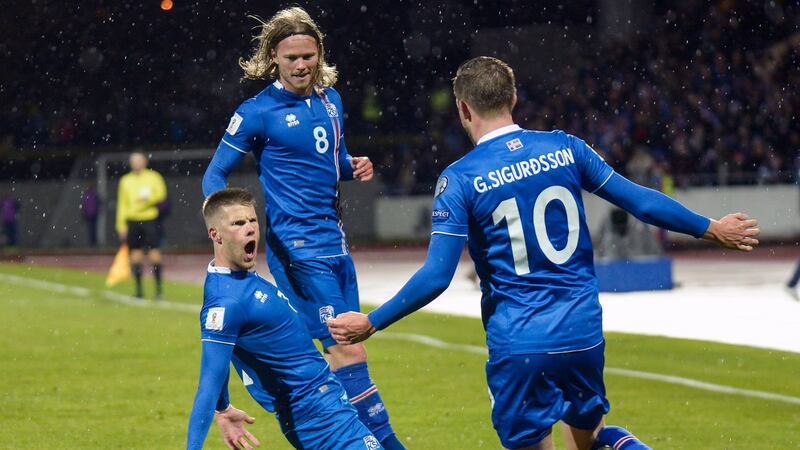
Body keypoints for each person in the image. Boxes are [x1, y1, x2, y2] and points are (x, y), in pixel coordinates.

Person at [327, 57, 761, 450]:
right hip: (582, 333)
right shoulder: (565, 147)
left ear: (462, 109)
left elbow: (438, 275)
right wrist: (712, 228)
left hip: (521, 342)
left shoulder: (459, 178)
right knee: (592, 441)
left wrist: (372, 321)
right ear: (513, 99)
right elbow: (640, 201)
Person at [201, 7, 403, 449]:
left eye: (308, 55)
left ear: (319, 54)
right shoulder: (256, 112)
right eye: (291, 57)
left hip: (336, 244)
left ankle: (323, 432)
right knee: (348, 347)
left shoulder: (332, 101)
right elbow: (214, 175)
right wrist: (225, 229)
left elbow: (329, 162)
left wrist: (352, 166)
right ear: (274, 56)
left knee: (342, 356)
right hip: (297, 248)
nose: (300, 65)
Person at [187, 187, 383, 450]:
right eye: (237, 223)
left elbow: (221, 357)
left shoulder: (237, 280)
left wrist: (223, 408)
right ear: (215, 234)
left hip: (326, 406)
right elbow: (208, 383)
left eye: (252, 221)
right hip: (317, 416)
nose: (250, 228)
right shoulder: (228, 302)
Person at [115, 150, 167, 299]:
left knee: (154, 254)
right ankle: (139, 291)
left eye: (139, 160)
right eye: (134, 160)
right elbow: (122, 205)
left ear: (145, 162)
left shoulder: (154, 177)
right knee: (135, 255)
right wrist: (121, 225)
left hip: (150, 219)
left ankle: (158, 290)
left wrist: (146, 200)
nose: (136, 163)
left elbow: (161, 195)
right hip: (132, 221)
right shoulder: (125, 180)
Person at [81, 182, 100, 247]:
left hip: (93, 214)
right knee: (91, 229)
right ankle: (92, 242)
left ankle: (93, 242)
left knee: (93, 229)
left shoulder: (92, 194)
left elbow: (97, 204)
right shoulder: (91, 194)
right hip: (90, 214)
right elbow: (85, 205)